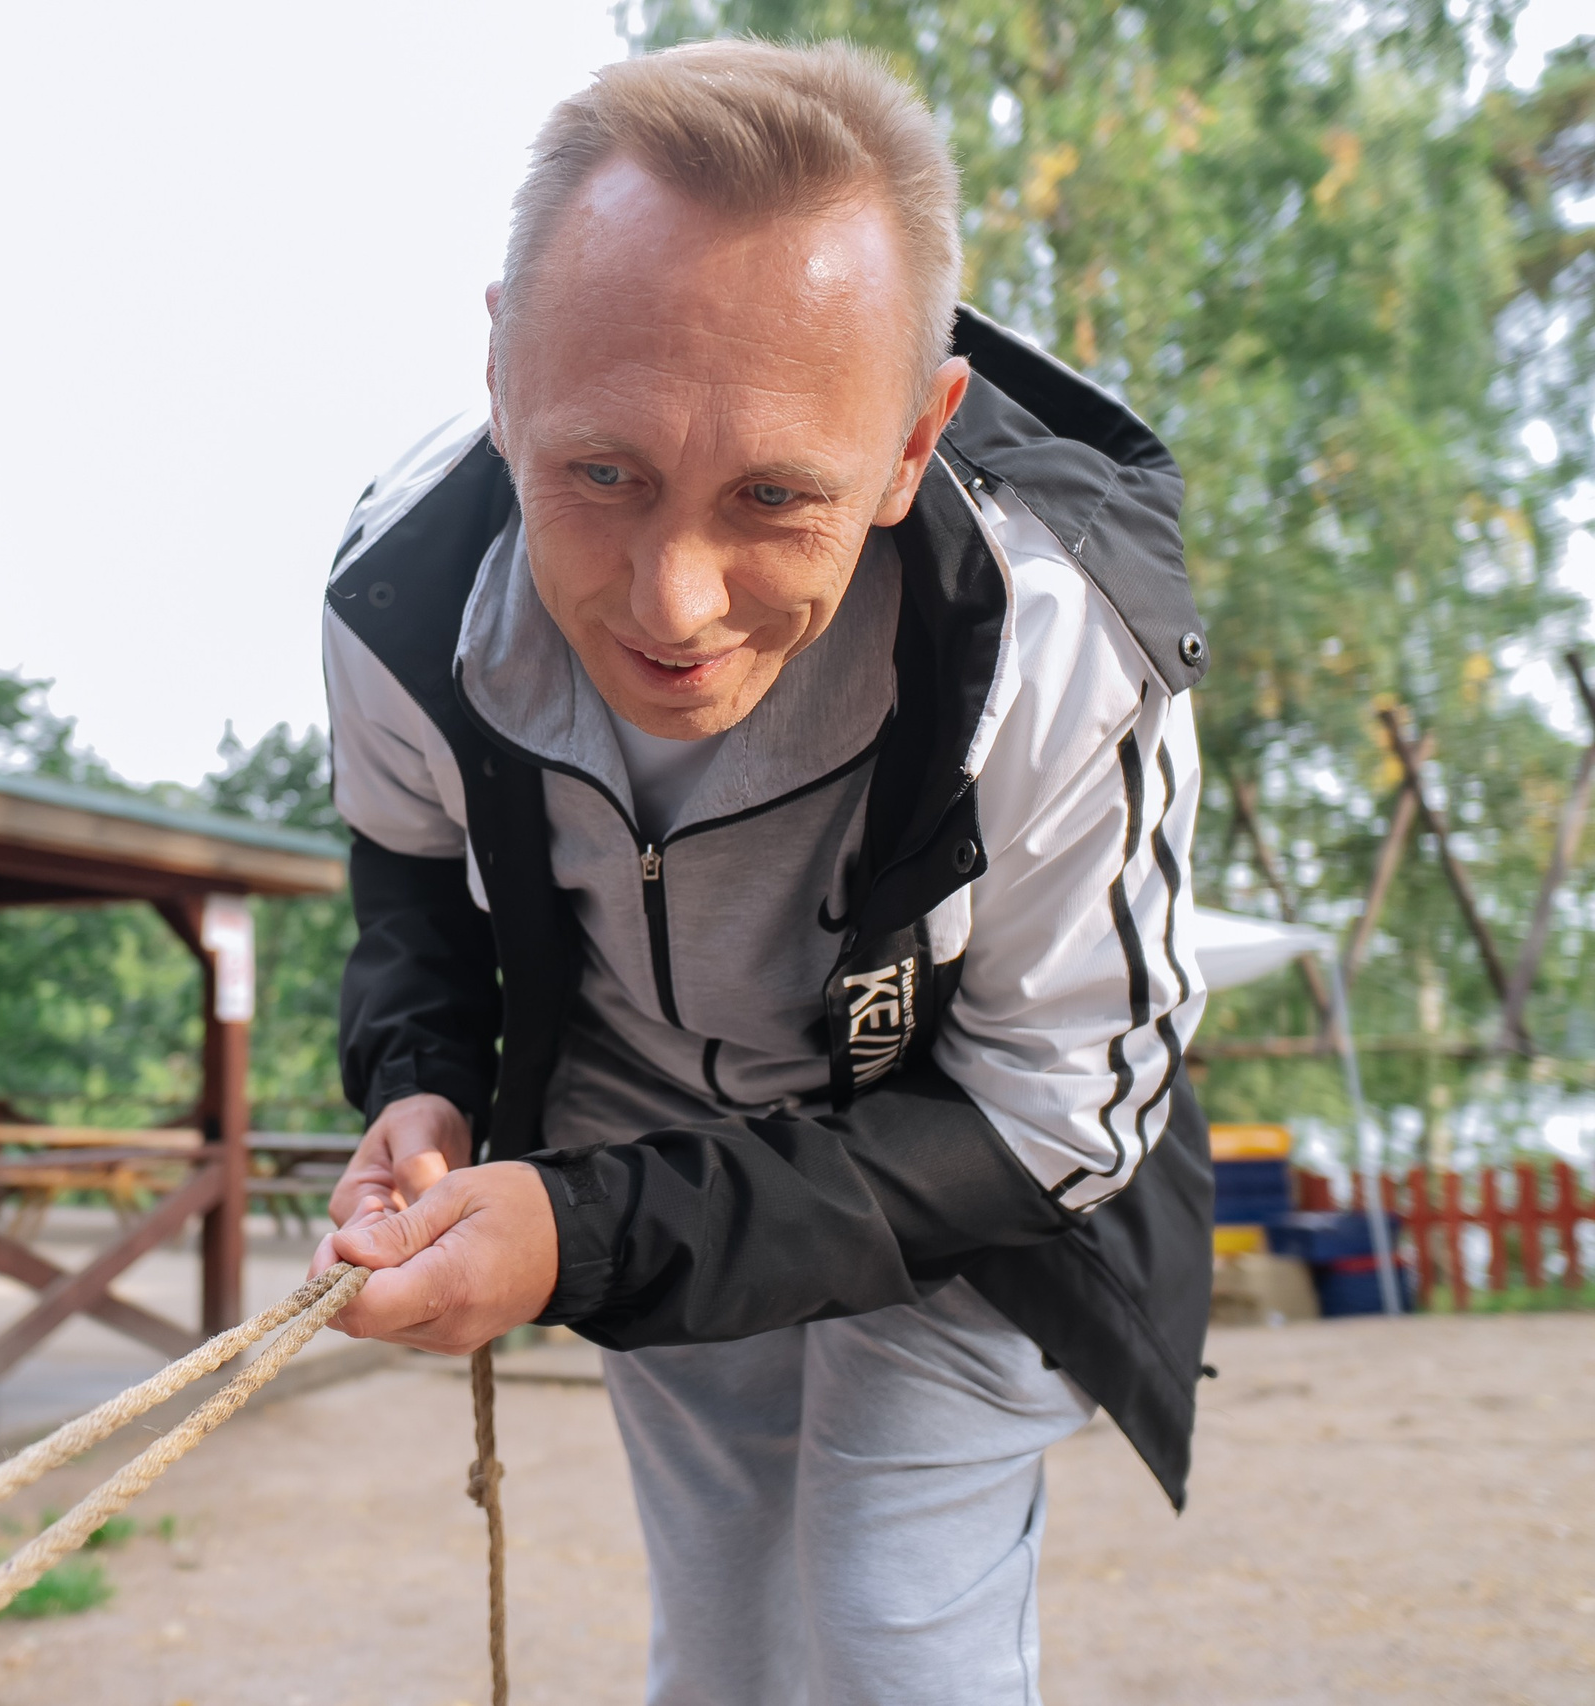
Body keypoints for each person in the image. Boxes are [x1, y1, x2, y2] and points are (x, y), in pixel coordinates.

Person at [314, 40, 1210, 1705]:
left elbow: (1059, 1110)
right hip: (639, 1153)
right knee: (722, 1645)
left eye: (775, 497)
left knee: (885, 1624)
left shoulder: (1059, 645)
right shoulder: (397, 594)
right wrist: (425, 1086)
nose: (673, 602)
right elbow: (413, 880)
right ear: (504, 364)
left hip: (974, 1197)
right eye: (602, 474)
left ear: (911, 442)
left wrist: (575, 1232)